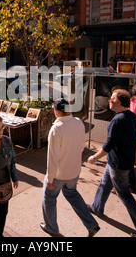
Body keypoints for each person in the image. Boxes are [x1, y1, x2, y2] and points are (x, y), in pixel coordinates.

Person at [87, 89, 136, 237]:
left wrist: (94, 157)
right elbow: (135, 138)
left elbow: (108, 145)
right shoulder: (131, 116)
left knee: (124, 195)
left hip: (118, 164)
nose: (109, 101)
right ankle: (97, 207)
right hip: (120, 161)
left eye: (111, 99)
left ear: (118, 102)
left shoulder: (117, 120)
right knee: (105, 183)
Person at [41, 98, 100, 237]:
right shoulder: (79, 122)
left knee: (49, 199)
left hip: (58, 174)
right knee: (72, 194)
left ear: (56, 111)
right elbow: (81, 146)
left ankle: (51, 228)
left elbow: (52, 157)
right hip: (74, 171)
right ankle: (91, 224)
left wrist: (50, 178)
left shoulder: (57, 128)